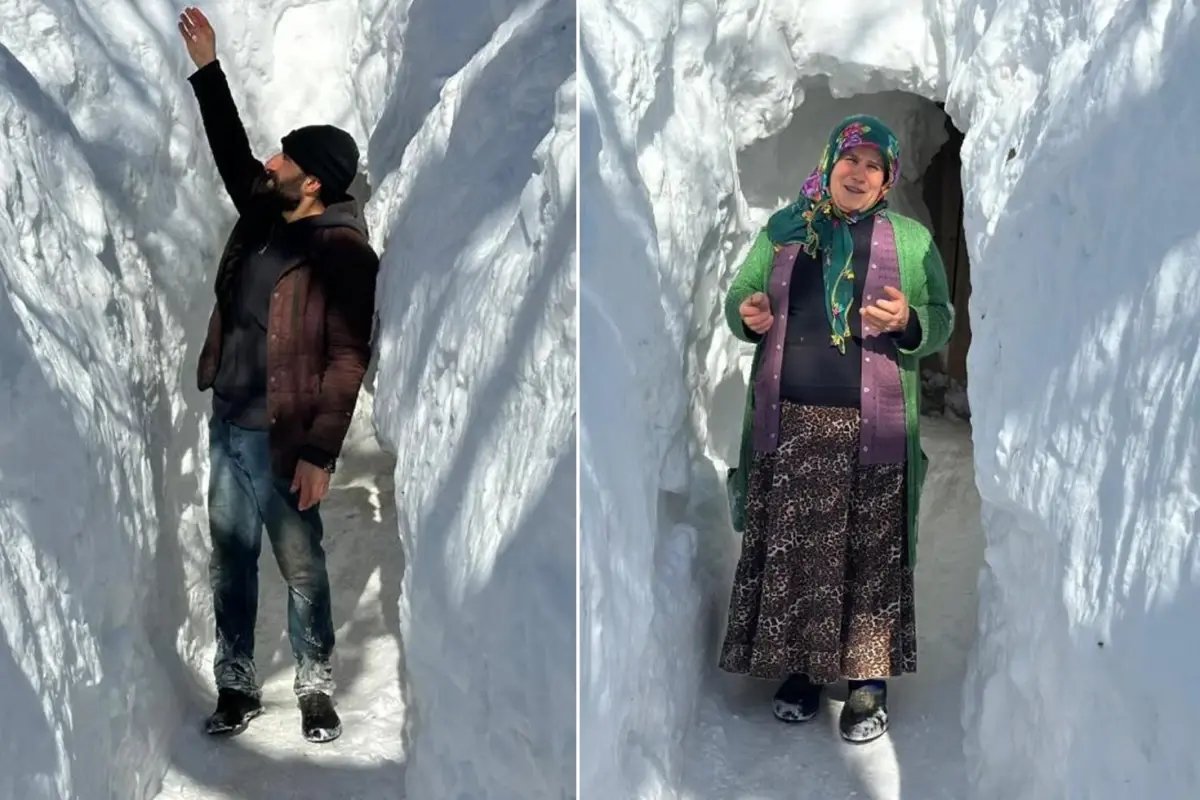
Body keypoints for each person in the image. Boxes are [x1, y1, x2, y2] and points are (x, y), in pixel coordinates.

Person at [178, 6, 379, 743]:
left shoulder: (343, 253)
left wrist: (322, 453)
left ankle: (316, 682)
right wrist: (209, 70)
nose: (271, 162)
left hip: (284, 438)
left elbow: (349, 358)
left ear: (315, 184)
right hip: (228, 418)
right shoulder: (266, 213)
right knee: (231, 560)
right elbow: (235, 156)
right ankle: (236, 683)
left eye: (286, 158)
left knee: (300, 563)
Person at [719, 115, 953, 743]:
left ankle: (865, 683)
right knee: (797, 553)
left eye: (874, 166)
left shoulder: (908, 241)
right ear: (829, 163)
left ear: (887, 181)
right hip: (789, 420)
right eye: (851, 159)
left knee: (868, 556)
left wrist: (910, 320)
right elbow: (741, 292)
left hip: (872, 426)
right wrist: (749, 312)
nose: (859, 173)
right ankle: (800, 669)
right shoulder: (786, 230)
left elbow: (940, 314)